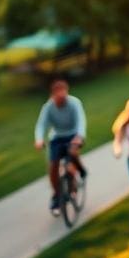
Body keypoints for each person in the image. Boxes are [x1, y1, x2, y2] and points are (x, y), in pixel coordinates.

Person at [34, 78, 88, 215]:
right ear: (53, 95)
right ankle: (57, 196)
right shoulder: (48, 108)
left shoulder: (74, 103)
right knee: (53, 168)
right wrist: (39, 139)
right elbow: (41, 125)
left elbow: (81, 121)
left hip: (73, 135)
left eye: (64, 96)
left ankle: (81, 172)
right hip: (57, 137)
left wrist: (79, 136)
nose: (62, 100)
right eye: (59, 97)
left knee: (72, 155)